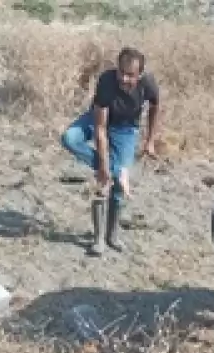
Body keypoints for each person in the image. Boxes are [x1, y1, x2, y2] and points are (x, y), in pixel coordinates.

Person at [60, 46, 160, 256]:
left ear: (139, 74)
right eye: (121, 72)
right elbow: (100, 129)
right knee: (70, 138)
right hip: (97, 121)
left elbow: (154, 107)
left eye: (130, 75)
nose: (123, 78)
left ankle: (112, 235)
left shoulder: (148, 84)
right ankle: (98, 239)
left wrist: (150, 140)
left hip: (126, 130)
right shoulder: (106, 82)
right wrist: (106, 168)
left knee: (116, 190)